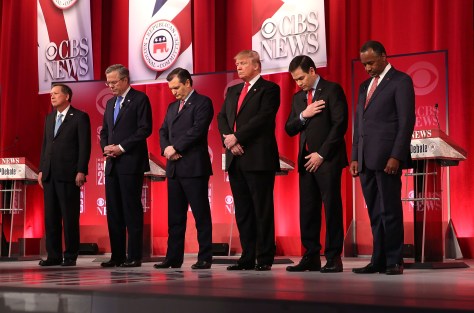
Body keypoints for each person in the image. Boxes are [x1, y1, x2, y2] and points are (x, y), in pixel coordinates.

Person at [350, 40, 415, 275]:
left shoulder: (400, 81)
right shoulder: (364, 86)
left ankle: (394, 260)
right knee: (375, 212)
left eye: (371, 62)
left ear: (384, 56)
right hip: (366, 159)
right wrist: (355, 155)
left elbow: (406, 122)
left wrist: (396, 155)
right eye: (364, 64)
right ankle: (377, 260)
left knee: (390, 210)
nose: (367, 68)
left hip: (388, 158)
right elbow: (359, 123)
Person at [217, 50, 280, 271]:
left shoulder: (269, 89)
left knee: (261, 209)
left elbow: (263, 118)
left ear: (257, 66)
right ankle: (247, 256)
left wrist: (238, 136)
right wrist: (230, 140)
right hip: (235, 156)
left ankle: (264, 257)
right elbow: (222, 116)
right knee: (243, 210)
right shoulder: (233, 90)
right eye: (237, 64)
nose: (239, 67)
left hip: (258, 157)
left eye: (243, 63)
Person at [284, 55, 348, 273]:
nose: (298, 83)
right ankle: (310, 256)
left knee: (331, 208)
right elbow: (289, 128)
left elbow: (340, 125)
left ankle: (333, 258)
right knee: (308, 210)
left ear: (312, 71)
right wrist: (304, 114)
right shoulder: (298, 99)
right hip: (306, 160)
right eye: (295, 80)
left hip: (326, 159)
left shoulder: (332, 90)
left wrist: (321, 154)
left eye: (301, 78)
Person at [154, 68, 214, 270]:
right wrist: (166, 149)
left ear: (188, 83)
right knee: (175, 217)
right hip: (174, 167)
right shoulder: (172, 107)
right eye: (171, 88)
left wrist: (176, 147)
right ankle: (173, 257)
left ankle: (205, 257)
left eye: (177, 87)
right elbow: (163, 130)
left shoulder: (202, 102)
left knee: (200, 215)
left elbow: (197, 130)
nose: (174, 92)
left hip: (194, 167)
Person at [100, 64, 153, 268]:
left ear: (124, 80)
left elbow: (144, 129)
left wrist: (121, 147)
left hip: (130, 162)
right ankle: (117, 255)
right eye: (108, 82)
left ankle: (134, 255)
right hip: (112, 163)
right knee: (113, 211)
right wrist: (106, 147)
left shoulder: (140, 99)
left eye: (113, 82)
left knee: (131, 209)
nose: (110, 86)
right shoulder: (110, 103)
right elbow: (105, 130)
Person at [38, 83, 91, 266]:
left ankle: (70, 255)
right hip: (50, 175)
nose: (52, 96)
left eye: (56, 93)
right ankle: (53, 255)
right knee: (51, 217)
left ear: (67, 96)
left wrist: (81, 170)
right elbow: (45, 146)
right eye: (51, 94)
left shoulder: (79, 117)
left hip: (69, 175)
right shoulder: (49, 118)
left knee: (69, 218)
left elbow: (84, 147)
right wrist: (41, 169)